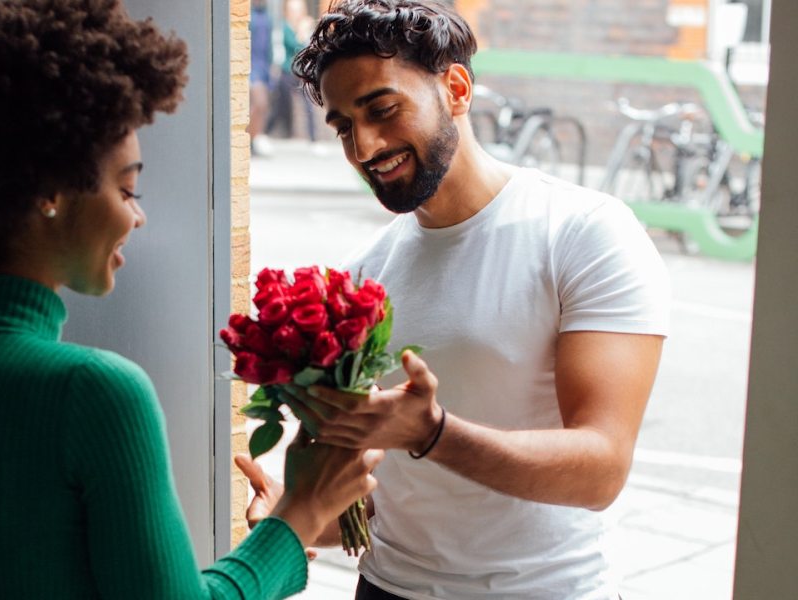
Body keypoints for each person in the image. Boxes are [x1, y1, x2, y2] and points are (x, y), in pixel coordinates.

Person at [0, 1, 383, 598]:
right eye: (128, 187)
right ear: (50, 193)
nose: (138, 215)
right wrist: (300, 511)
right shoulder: (94, 394)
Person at [235, 1, 670, 598]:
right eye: (342, 126)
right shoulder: (367, 272)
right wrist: (297, 513)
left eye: (382, 109)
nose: (363, 146)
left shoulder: (584, 231)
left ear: (457, 88)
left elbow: (601, 469)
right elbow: (393, 498)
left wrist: (434, 433)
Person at [265, 0, 320, 147]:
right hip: (287, 72)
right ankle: (264, 132)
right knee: (279, 105)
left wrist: (304, 33)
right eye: (293, 10)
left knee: (309, 104)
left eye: (298, 9)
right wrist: (301, 35)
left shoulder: (305, 26)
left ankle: (313, 139)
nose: (296, 13)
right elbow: (294, 45)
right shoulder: (284, 26)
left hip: (301, 73)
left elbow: (311, 47)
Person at [249, 0, 276, 156]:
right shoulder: (249, 15)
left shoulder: (267, 15)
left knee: (262, 107)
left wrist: (271, 66)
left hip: (264, 66)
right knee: (260, 104)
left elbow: (269, 46)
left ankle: (252, 139)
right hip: (252, 66)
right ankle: (249, 139)